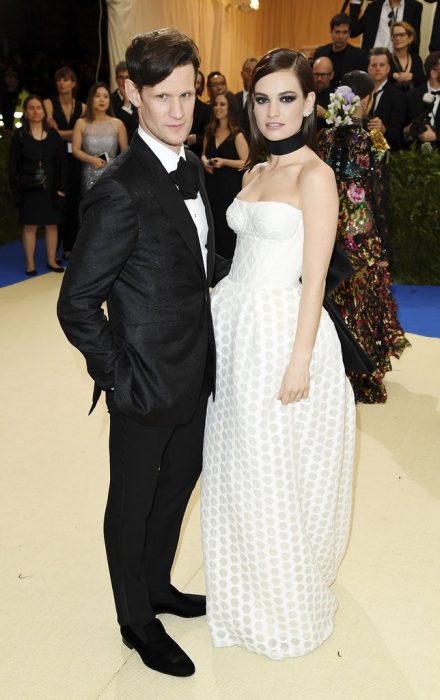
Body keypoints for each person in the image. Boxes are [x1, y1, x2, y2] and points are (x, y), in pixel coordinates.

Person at [57, 28, 230, 678]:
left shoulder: (191, 166)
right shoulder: (120, 189)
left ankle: (158, 585)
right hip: (143, 383)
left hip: (195, 374)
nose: (181, 110)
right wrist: (119, 376)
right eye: (164, 97)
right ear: (132, 93)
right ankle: (136, 618)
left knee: (177, 488)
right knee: (131, 503)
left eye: (188, 94)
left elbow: (198, 262)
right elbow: (77, 302)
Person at [201, 48, 356, 660]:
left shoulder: (316, 177)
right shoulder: (254, 173)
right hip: (236, 325)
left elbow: (314, 279)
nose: (272, 111)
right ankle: (242, 592)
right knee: (235, 461)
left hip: (281, 334)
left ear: (310, 104)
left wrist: (300, 360)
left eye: (286, 98)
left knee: (272, 470)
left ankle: (283, 603)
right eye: (262, 99)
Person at [319, 71, 410, 402]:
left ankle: (333, 372)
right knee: (366, 305)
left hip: (330, 232)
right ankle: (365, 377)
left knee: (334, 299)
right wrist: (385, 243)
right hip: (365, 236)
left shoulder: (324, 139)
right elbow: (380, 197)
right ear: (367, 100)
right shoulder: (375, 142)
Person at [9, 94, 67, 274]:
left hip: (51, 189)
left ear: (44, 111)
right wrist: (16, 189)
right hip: (28, 188)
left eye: (38, 108)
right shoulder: (19, 136)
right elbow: (13, 165)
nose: (35, 111)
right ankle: (30, 264)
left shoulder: (53, 135)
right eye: (31, 108)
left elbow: (62, 164)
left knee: (52, 225)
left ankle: (52, 261)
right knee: (30, 226)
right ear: (26, 112)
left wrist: (61, 189)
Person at [43, 67, 85, 258]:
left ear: (73, 83)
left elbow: (81, 132)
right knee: (56, 201)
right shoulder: (48, 104)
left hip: (76, 157)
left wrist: (60, 133)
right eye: (59, 79)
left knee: (75, 200)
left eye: (66, 79)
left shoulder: (83, 107)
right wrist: (71, 133)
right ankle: (55, 248)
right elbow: (52, 133)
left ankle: (70, 247)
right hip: (55, 158)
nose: (62, 83)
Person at [202, 90, 249, 258]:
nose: (217, 108)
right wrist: (204, 161)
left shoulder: (237, 134)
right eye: (215, 104)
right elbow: (203, 153)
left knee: (227, 228)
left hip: (230, 189)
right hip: (211, 186)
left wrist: (224, 162)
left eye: (222, 104)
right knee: (211, 225)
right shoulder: (209, 131)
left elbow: (246, 161)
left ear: (230, 108)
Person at [72, 82, 128, 193]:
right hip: (89, 173)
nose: (102, 100)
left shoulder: (118, 124)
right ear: (91, 99)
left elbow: (125, 153)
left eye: (106, 96)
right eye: (97, 96)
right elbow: (75, 150)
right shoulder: (81, 123)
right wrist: (92, 160)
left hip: (113, 174)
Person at [314, 13, 368, 90]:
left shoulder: (359, 56)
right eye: (337, 32)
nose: (340, 36)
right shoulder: (320, 53)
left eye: (344, 32)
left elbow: (362, 85)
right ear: (331, 32)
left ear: (349, 33)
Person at [366, 47, 407, 148]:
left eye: (382, 65)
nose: (377, 68)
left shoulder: (398, 95)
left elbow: (398, 133)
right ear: (368, 68)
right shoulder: (361, 93)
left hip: (386, 152)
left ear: (388, 68)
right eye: (374, 65)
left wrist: (384, 129)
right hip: (360, 149)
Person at [349, 0, 423, 53]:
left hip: (398, 62)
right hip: (372, 60)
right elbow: (353, 31)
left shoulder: (414, 7)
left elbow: (415, 40)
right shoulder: (373, 7)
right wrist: (356, 2)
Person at [404, 50, 440, 148]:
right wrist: (408, 130)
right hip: (414, 156)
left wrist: (436, 136)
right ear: (433, 73)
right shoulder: (412, 96)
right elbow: (402, 129)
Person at [389, 21, 425, 90]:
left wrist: (412, 77)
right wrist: (392, 76)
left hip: (412, 98)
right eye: (394, 35)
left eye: (401, 35)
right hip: (391, 98)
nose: (397, 38)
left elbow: (423, 82)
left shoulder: (416, 59)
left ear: (410, 38)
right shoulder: (386, 58)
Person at [110, 60, 138, 142]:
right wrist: (126, 102)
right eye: (121, 77)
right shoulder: (110, 99)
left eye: (127, 77)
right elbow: (115, 127)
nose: (124, 81)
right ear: (116, 80)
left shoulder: (138, 97)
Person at [186, 70, 211, 157]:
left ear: (201, 87)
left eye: (197, 82)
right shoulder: (174, 104)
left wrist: (196, 138)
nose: (192, 85)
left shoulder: (206, 109)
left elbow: (211, 138)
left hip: (194, 156)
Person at [234, 57, 258, 138]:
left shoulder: (263, 100)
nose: (251, 74)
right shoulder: (233, 99)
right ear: (242, 74)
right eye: (247, 71)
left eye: (254, 71)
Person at [312, 56, 335, 130]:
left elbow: (344, 125)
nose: (319, 79)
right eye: (316, 74)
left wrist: (325, 114)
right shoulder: (306, 92)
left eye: (323, 75)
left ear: (331, 75)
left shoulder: (338, 96)